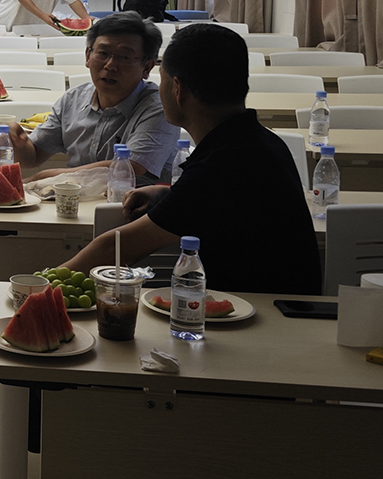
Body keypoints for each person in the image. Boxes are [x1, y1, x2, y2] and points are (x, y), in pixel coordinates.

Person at [56, 22, 321, 292]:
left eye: (162, 80)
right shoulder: (258, 142)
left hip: (264, 311)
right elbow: (220, 202)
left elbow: (119, 248)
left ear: (177, 89)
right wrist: (168, 193)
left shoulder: (223, 164)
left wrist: (42, 285)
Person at [12, 12, 179, 187]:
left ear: (147, 67)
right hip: (73, 199)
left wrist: (45, 177)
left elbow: (131, 167)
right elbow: (33, 157)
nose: (110, 65)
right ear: (87, 56)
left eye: (124, 57)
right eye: (103, 53)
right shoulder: (73, 99)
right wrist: (17, 142)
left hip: (134, 201)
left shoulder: (159, 108)